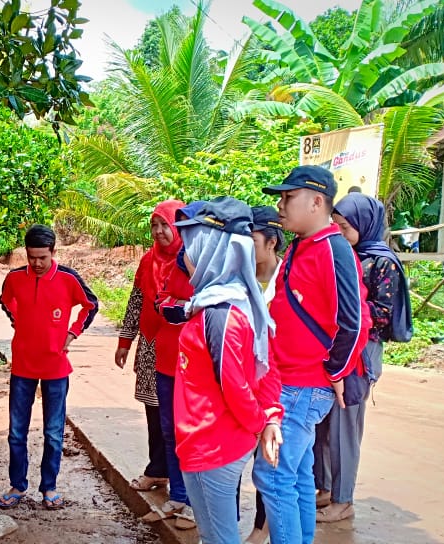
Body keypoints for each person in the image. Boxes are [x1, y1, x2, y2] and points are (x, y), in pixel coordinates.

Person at [253, 166, 370, 544]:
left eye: (289, 197)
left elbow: (354, 323)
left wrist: (335, 371)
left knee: (272, 475)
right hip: (289, 381)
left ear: (317, 201)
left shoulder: (334, 249)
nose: (280, 205)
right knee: (299, 475)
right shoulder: (302, 245)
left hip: (303, 385)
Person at [172, 197, 282, 544]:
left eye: (192, 246)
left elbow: (236, 386)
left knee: (218, 539)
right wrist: (269, 418)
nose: (185, 256)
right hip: (207, 441)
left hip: (212, 444)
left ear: (212, 251)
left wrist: (260, 423)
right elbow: (268, 367)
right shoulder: (232, 301)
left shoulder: (220, 313)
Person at [314, 193, 411, 523]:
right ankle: (326, 487)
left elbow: (383, 312)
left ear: (364, 224)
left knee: (344, 426)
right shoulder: (345, 255)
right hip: (337, 345)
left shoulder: (382, 262)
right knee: (324, 422)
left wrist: (344, 307)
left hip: (363, 350)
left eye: (345, 227)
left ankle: (343, 500)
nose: (340, 233)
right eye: (336, 226)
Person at [0, 225, 98, 510]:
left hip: (56, 368)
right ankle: (17, 485)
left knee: (53, 433)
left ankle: (49, 487)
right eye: (32, 257)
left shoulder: (68, 278)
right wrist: (19, 320)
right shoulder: (15, 278)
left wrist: (73, 332)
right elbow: (5, 300)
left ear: (53, 252)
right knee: (17, 432)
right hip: (22, 367)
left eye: (43, 257)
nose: (37, 263)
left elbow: (90, 305)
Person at [114, 202, 185, 495]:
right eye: (154, 225)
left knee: (178, 414)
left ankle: (178, 477)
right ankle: (158, 470)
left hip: (182, 348)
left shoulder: (190, 259)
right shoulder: (148, 260)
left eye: (165, 224)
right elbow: (136, 301)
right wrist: (125, 341)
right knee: (154, 411)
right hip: (151, 345)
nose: (158, 231)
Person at [245, 206, 287, 544]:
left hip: (279, 379)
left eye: (253, 239)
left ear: (271, 242)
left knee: (269, 461)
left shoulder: (287, 279)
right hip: (247, 381)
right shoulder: (240, 277)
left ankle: (262, 529)